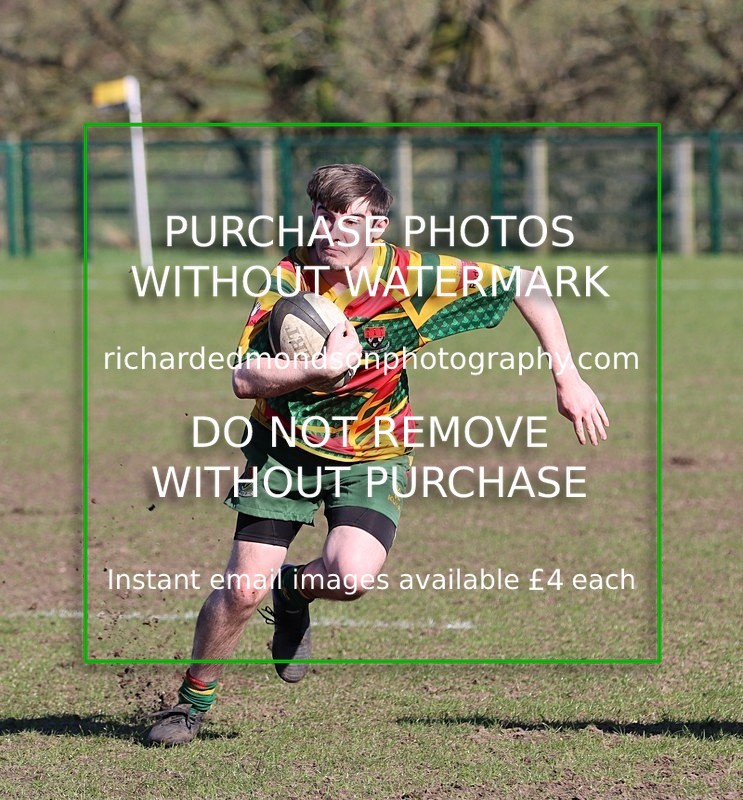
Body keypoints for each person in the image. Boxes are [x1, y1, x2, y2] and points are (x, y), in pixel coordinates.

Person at [146, 163, 608, 746]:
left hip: (374, 448)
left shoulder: (411, 275)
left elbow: (526, 284)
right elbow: (243, 378)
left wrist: (567, 377)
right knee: (242, 590)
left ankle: (294, 591)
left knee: (350, 577)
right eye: (323, 218)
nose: (332, 233)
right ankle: (190, 703)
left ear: (377, 227)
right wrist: (316, 368)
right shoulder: (290, 283)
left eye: (350, 222)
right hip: (285, 451)